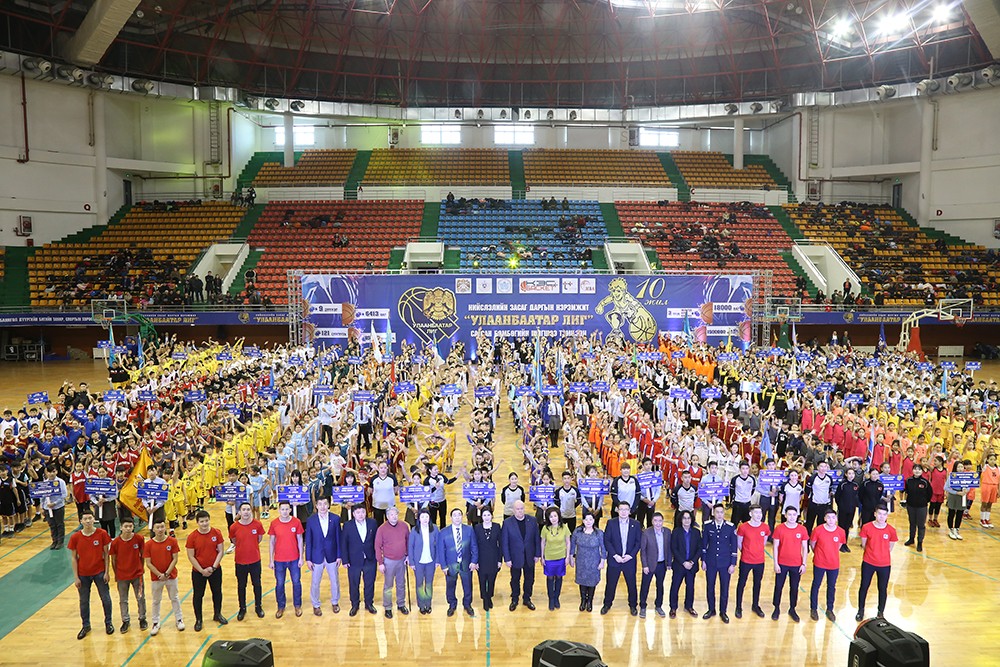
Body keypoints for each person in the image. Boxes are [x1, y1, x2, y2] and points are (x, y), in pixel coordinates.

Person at [68, 509, 114, 639]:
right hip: (83, 574)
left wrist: (107, 572)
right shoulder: (75, 537)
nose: (88, 521)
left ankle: (108, 623)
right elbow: (73, 558)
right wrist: (76, 577)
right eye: (85, 519)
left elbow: (106, 554)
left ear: (94, 519)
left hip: (99, 572)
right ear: (81, 521)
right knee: (83, 601)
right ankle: (85, 625)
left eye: (90, 518)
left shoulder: (102, 534)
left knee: (105, 598)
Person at [186, 509, 227, 631]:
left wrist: (213, 567)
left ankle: (217, 614)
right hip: (198, 572)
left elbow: (221, 551)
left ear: (209, 520)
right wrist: (201, 570)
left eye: (206, 521)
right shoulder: (192, 537)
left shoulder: (216, 533)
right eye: (202, 521)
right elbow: (191, 556)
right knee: (198, 595)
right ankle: (198, 619)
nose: (204, 523)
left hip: (215, 570)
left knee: (217, 592)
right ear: (197, 522)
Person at [143, 518, 185, 637]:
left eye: (162, 527)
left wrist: (166, 574)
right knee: (156, 600)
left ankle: (179, 619)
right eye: (158, 527)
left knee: (174, 598)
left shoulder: (172, 541)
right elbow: (148, 563)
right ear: (153, 529)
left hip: (171, 576)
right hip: (156, 578)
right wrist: (159, 574)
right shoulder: (148, 544)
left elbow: (175, 559)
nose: (160, 529)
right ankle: (155, 622)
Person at [856, 505, 897, 621]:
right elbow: (864, 544)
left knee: (882, 588)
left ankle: (880, 612)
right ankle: (860, 610)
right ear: (875, 514)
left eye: (884, 514)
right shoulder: (866, 527)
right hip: (868, 562)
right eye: (879, 514)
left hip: (884, 564)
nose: (881, 517)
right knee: (864, 586)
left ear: (887, 516)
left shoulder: (891, 530)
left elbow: (890, 547)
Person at [601, 501, 641, 615]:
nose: (623, 512)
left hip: (629, 560)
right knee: (611, 584)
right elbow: (607, 540)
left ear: (630, 511)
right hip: (614, 560)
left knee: (631, 584)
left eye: (626, 509)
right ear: (617, 510)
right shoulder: (611, 523)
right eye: (621, 509)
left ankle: (633, 605)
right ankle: (607, 604)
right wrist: (615, 555)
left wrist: (630, 555)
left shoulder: (636, 524)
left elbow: (638, 542)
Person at [304, 496, 342, 616]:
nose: (323, 507)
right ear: (316, 506)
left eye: (325, 504)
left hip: (332, 555)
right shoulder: (311, 520)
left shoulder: (335, 519)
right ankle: (316, 604)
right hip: (316, 556)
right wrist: (308, 558)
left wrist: (339, 555)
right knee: (315, 582)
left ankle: (335, 602)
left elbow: (339, 539)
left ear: (329, 505)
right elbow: (308, 540)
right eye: (320, 504)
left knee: (334, 581)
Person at [501, 500, 541, 611]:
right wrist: (507, 558)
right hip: (515, 557)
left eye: (522, 508)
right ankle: (514, 599)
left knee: (530, 579)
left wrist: (537, 554)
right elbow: (505, 542)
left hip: (529, 556)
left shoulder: (532, 520)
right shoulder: (507, 523)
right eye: (517, 509)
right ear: (513, 510)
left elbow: (537, 539)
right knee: (515, 579)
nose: (520, 511)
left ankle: (527, 598)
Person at [438, 507, 479, 616]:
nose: (457, 517)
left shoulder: (469, 530)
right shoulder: (443, 532)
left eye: (459, 515)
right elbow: (441, 551)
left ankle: (467, 604)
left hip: (466, 563)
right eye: (454, 515)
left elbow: (474, 546)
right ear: (451, 518)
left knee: (467, 585)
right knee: (450, 586)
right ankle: (452, 604)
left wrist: (474, 561)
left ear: (462, 516)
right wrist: (443, 566)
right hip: (450, 565)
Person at [109, 516, 147, 633]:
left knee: (140, 597)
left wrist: (140, 569)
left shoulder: (139, 539)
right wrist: (117, 574)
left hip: (137, 575)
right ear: (121, 527)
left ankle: (142, 618)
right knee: (123, 599)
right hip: (122, 576)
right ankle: (125, 620)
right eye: (126, 526)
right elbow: (113, 560)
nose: (128, 528)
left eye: (130, 526)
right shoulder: (115, 543)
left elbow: (142, 555)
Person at [701, 503, 738, 623]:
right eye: (717, 512)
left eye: (721, 512)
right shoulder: (707, 526)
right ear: (713, 513)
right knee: (710, 587)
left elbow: (734, 547)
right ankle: (711, 609)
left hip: (725, 563)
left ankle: (723, 611)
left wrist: (733, 564)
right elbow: (704, 545)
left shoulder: (730, 527)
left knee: (724, 588)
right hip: (711, 562)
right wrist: (703, 560)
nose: (719, 514)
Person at [228, 501, 265, 620]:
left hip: (255, 561)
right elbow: (234, 540)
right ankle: (242, 608)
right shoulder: (234, 527)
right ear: (239, 512)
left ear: (251, 511)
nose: (246, 512)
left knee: (257, 584)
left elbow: (259, 539)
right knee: (241, 586)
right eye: (243, 510)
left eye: (248, 509)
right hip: (240, 562)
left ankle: (258, 607)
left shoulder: (257, 524)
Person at [771, 506, 808, 622]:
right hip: (782, 563)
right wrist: (775, 563)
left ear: (797, 516)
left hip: (796, 564)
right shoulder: (779, 528)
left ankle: (792, 609)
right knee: (778, 586)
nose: (792, 517)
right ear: (785, 515)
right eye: (789, 514)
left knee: (794, 587)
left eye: (794, 514)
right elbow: (775, 547)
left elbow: (805, 547)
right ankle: (776, 608)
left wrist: (804, 564)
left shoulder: (802, 529)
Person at [809, 508, 847, 622]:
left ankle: (830, 609)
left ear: (836, 519)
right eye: (828, 517)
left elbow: (839, 545)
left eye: (833, 517)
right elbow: (813, 544)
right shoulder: (818, 530)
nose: (831, 520)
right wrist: (819, 554)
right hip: (819, 562)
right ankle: (813, 609)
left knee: (831, 586)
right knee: (816, 585)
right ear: (825, 518)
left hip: (833, 564)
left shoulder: (841, 532)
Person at [268, 500, 305, 618]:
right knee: (279, 584)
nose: (284, 511)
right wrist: (271, 560)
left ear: (290, 510)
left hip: (294, 559)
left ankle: (297, 605)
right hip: (279, 560)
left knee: (296, 582)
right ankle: (280, 606)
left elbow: (300, 540)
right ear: (279, 510)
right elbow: (271, 542)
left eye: (286, 509)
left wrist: (301, 557)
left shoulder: (296, 522)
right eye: (282, 509)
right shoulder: (274, 523)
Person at [341, 503, 378, 615]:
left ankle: (369, 603)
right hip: (353, 560)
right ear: (353, 514)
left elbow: (376, 541)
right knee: (354, 583)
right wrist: (345, 560)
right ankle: (355, 604)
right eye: (358, 512)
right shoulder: (347, 525)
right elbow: (344, 544)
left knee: (370, 583)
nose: (361, 514)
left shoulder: (372, 523)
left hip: (370, 559)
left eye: (363, 512)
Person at [734, 504, 770, 618]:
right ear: (750, 514)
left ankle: (755, 605)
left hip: (760, 561)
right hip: (746, 560)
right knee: (742, 583)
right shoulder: (743, 527)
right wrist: (747, 552)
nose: (759, 515)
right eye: (756, 512)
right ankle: (738, 606)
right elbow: (739, 543)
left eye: (760, 513)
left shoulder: (765, 527)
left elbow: (764, 542)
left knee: (757, 583)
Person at [375, 506, 411, 618]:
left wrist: (408, 555)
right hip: (388, 561)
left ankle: (401, 604)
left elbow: (408, 542)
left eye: (396, 514)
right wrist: (380, 563)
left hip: (402, 560)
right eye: (391, 514)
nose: (394, 516)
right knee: (388, 585)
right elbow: (377, 546)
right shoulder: (381, 529)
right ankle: (388, 607)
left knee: (401, 584)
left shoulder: (404, 526)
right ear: (387, 516)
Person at [570, 511, 606, 612]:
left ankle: (589, 601)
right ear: (583, 520)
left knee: (592, 581)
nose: (588, 521)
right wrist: (571, 558)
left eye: (591, 519)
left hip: (594, 561)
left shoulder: (599, 533)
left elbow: (603, 548)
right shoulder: (577, 532)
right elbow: (572, 546)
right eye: (586, 519)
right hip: (581, 560)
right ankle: (583, 601)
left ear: (594, 520)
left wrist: (602, 561)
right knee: (582, 580)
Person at [668, 509, 701, 618]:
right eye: (684, 518)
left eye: (688, 518)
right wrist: (683, 562)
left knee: (690, 587)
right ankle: (673, 608)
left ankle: (689, 606)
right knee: (675, 586)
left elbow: (699, 548)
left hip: (691, 566)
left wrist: (692, 561)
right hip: (679, 565)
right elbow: (674, 548)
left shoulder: (696, 532)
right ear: (681, 520)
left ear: (692, 519)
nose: (686, 520)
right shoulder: (676, 532)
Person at [638, 511, 670, 618]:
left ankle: (659, 606)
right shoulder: (646, 533)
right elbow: (643, 551)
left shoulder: (667, 532)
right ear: (652, 521)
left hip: (662, 564)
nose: (658, 523)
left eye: (660, 521)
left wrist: (669, 563)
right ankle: (643, 606)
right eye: (655, 521)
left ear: (663, 521)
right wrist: (644, 565)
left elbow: (669, 548)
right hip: (649, 565)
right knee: (645, 586)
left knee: (660, 586)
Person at [408, 507, 439, 614]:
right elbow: (410, 547)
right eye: (422, 517)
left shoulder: (435, 529)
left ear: (429, 518)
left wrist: (437, 560)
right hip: (418, 562)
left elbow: (438, 545)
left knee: (429, 583)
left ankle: (428, 604)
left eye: (427, 516)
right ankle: (421, 605)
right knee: (419, 584)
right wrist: (411, 562)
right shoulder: (414, 530)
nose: (425, 519)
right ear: (419, 518)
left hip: (431, 562)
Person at [541, 507, 571, 610]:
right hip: (549, 557)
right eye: (551, 517)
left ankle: (556, 597)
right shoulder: (545, 528)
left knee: (559, 577)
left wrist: (567, 557)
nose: (553, 518)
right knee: (550, 578)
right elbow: (543, 543)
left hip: (561, 557)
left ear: (559, 516)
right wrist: (542, 557)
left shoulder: (564, 527)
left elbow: (568, 542)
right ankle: (551, 599)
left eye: (555, 516)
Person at [473, 507, 503, 611]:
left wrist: (500, 560)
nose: (486, 517)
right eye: (484, 515)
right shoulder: (477, 528)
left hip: (493, 558)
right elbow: (474, 545)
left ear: (492, 516)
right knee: (482, 580)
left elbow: (500, 544)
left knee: (491, 580)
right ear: (481, 516)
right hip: (481, 559)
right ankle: (485, 599)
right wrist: (475, 561)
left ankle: (489, 596)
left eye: (488, 515)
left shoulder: (497, 527)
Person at [902, 464, 931, 552]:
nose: (917, 471)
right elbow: (906, 491)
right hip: (910, 506)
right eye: (915, 469)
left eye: (919, 469)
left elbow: (929, 494)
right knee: (912, 523)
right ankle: (911, 539)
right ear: (912, 470)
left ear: (922, 471)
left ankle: (920, 542)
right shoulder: (908, 480)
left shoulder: (925, 482)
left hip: (922, 507)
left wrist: (924, 501)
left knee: (921, 525)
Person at [40, 465, 69, 549]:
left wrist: (55, 503)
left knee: (59, 524)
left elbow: (64, 494)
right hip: (47, 508)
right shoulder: (44, 483)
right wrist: (42, 507)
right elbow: (42, 496)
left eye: (53, 471)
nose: (51, 474)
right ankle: (54, 541)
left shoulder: (61, 482)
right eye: (49, 472)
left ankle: (60, 542)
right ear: (46, 473)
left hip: (58, 507)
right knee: (52, 525)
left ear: (56, 472)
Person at [804, 461, 834, 532]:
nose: (823, 468)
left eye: (825, 466)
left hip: (824, 505)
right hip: (813, 504)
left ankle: (818, 538)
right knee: (809, 524)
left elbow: (830, 490)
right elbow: (807, 490)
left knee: (821, 525)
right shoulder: (812, 478)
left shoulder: (829, 478)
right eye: (821, 466)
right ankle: (807, 537)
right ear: (817, 467)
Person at [835, 468, 860, 552]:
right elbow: (837, 496)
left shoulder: (855, 485)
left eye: (852, 473)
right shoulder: (842, 484)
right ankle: (840, 544)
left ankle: (845, 543)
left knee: (847, 526)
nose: (851, 475)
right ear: (846, 474)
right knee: (841, 526)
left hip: (852, 509)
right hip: (843, 509)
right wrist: (841, 506)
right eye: (849, 473)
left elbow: (857, 496)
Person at [945, 460, 972, 540]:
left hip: (962, 496)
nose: (960, 468)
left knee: (960, 514)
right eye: (958, 467)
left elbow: (969, 486)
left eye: (961, 467)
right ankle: (951, 529)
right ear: (955, 468)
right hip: (953, 495)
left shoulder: (966, 476)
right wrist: (956, 492)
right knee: (951, 513)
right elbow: (946, 487)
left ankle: (957, 529)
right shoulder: (952, 476)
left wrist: (966, 491)